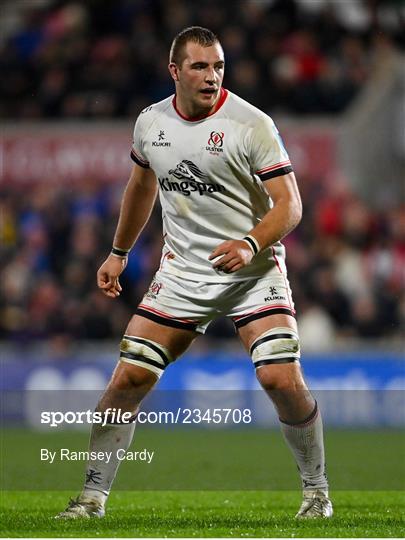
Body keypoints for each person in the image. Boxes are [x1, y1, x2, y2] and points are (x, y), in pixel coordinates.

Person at [58, 26, 332, 520]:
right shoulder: (150, 123)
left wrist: (251, 242)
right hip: (183, 274)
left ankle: (317, 492)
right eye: (200, 67)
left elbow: (291, 205)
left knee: (278, 379)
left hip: (252, 271)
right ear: (175, 71)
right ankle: (92, 498)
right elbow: (141, 187)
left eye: (219, 66)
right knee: (127, 378)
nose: (212, 77)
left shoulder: (252, 124)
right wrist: (118, 252)